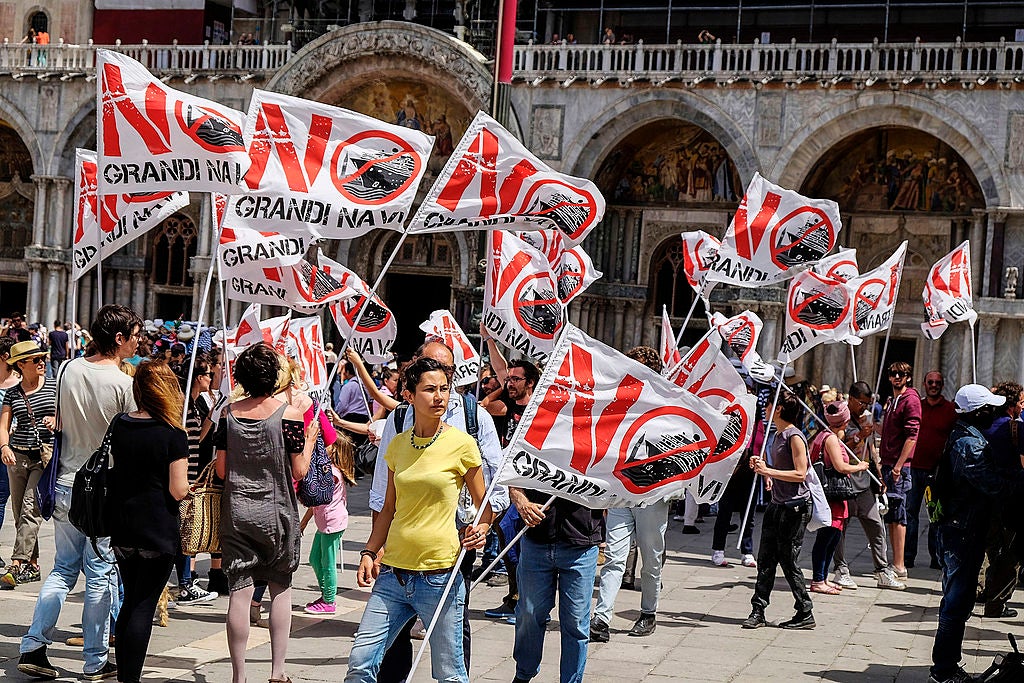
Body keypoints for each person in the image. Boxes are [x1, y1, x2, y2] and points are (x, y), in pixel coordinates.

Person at [345, 357, 493, 683]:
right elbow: (388, 508)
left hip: (440, 576)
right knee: (361, 663)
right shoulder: (397, 445)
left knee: (449, 674)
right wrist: (370, 551)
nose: (439, 396)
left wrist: (480, 529)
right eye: (429, 389)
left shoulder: (462, 444)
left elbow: (485, 506)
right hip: (393, 576)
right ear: (409, 396)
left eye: (444, 388)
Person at [18, 304, 141, 681]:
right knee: (101, 572)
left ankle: (34, 645)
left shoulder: (69, 368)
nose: (139, 340)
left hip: (67, 482)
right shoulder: (124, 385)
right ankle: (94, 660)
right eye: (134, 335)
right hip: (103, 489)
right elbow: (131, 439)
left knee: (62, 569)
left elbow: (61, 419)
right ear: (118, 339)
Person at [215, 343, 317, 683]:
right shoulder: (288, 414)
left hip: (238, 511)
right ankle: (277, 672)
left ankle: (239, 676)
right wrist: (312, 436)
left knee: (240, 593)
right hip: (277, 513)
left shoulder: (227, 414)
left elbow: (220, 469)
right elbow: (300, 470)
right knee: (280, 588)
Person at [929, 384, 1022, 683]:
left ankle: (944, 667)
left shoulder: (965, 436)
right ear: (979, 412)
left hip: (960, 529)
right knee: (956, 604)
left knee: (956, 601)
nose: (995, 412)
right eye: (990, 408)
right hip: (962, 533)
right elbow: (993, 485)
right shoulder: (970, 444)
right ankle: (943, 671)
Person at [106, 361, 190, 683]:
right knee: (144, 604)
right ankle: (131, 679)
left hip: (124, 523)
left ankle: (125, 674)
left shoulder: (120, 424)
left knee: (130, 600)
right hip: (158, 526)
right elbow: (177, 489)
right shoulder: (172, 433)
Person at [591, 346, 669, 641]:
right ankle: (601, 618)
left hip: (652, 492)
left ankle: (648, 612)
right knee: (614, 556)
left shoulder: (666, 404)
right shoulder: (622, 403)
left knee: (651, 558)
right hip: (623, 490)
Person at [742, 391, 814, 630]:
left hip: (795, 508)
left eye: (770, 403)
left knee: (788, 560)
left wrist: (769, 472)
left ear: (780, 409)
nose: (766, 407)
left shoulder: (794, 436)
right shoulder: (777, 435)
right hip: (777, 504)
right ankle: (758, 609)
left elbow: (800, 473)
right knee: (765, 559)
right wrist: (765, 469)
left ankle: (805, 610)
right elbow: (779, 469)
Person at [832, 382, 905, 590]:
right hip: (845, 483)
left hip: (864, 483)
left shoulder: (866, 420)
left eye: (867, 403)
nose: (864, 406)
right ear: (852, 399)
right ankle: (840, 569)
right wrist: (859, 436)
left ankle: (882, 570)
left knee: (876, 526)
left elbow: (872, 451)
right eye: (862, 402)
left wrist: (879, 476)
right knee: (840, 530)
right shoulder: (842, 415)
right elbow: (839, 444)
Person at [0, 341, 56, 589]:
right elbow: (3, 426)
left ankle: (16, 563)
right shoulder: (13, 393)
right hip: (17, 456)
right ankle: (33, 565)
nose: (42, 361)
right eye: (35, 359)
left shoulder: (54, 386)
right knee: (18, 511)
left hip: (42, 457)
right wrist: (4, 447)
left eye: (43, 357)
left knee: (30, 509)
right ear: (21, 365)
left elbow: (66, 414)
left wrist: (56, 419)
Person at [808, 401, 869, 595]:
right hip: (833, 494)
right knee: (827, 538)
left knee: (831, 538)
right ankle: (818, 579)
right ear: (845, 420)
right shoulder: (831, 439)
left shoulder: (822, 436)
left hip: (830, 494)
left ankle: (823, 577)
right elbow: (840, 467)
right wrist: (859, 467)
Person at [174, 353, 218, 604]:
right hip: (181, 474)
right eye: (209, 375)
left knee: (185, 531)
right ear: (198, 377)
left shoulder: (195, 403)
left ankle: (186, 582)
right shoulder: (180, 404)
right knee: (183, 531)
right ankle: (185, 584)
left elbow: (197, 439)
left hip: (190, 473)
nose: (211, 378)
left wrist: (212, 416)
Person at [979, 381, 1024, 619]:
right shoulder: (1015, 428)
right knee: (1010, 554)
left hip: (985, 497)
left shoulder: (982, 426)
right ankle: (996, 603)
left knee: (988, 549)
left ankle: (979, 594)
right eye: (1021, 402)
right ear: (1013, 405)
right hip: (1011, 499)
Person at [905, 371, 956, 571]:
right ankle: (908, 556)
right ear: (924, 384)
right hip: (914, 468)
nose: (934, 385)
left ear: (942, 385)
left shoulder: (950, 410)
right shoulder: (917, 407)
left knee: (936, 516)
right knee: (910, 513)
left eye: (937, 382)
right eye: (930, 382)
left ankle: (936, 557)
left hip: (937, 472)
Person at [301, 434, 355, 615]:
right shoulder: (327, 470)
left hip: (332, 524)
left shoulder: (330, 474)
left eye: (325, 445)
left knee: (327, 563)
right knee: (315, 559)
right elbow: (316, 502)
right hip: (325, 523)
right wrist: (304, 522)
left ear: (333, 450)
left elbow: (315, 495)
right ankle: (325, 595)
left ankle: (329, 601)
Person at [879, 361, 921, 580]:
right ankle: (893, 562)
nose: (897, 377)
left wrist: (897, 465)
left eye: (901, 374)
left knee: (899, 514)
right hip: (887, 463)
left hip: (899, 467)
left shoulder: (911, 400)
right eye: (893, 374)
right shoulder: (891, 400)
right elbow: (890, 431)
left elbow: (912, 436)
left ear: (908, 377)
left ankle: (899, 565)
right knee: (890, 513)